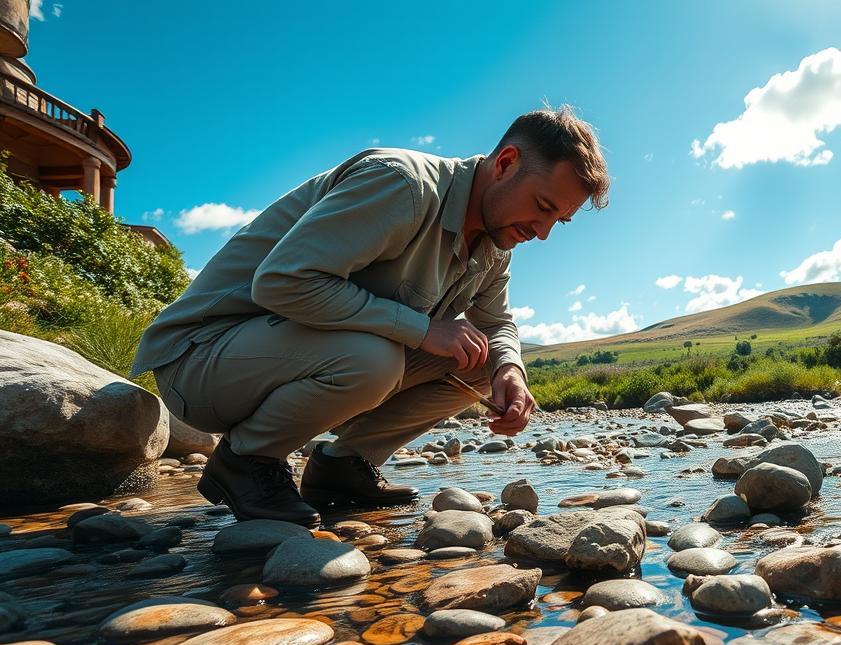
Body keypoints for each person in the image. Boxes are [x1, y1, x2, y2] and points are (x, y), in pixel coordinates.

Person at [130, 105, 609, 528]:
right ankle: (245, 459)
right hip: (201, 361)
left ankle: (343, 462)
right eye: (543, 207)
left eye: (558, 221)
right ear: (505, 163)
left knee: (483, 358)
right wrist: (422, 330)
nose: (542, 233)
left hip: (278, 358)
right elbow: (281, 282)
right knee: (374, 358)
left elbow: (497, 323)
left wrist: (511, 372)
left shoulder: (497, 242)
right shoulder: (402, 185)